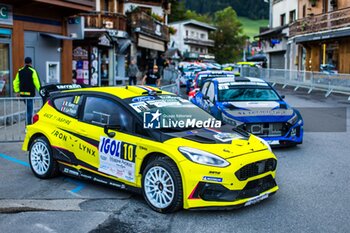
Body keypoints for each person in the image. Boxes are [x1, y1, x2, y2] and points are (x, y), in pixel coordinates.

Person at [13, 57, 41, 125]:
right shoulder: (32, 71)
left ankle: (28, 124)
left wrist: (17, 91)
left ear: (25, 63)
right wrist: (41, 91)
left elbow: (15, 82)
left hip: (23, 94)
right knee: (29, 111)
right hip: (30, 95)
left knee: (28, 109)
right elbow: (37, 82)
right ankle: (27, 125)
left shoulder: (20, 71)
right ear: (31, 63)